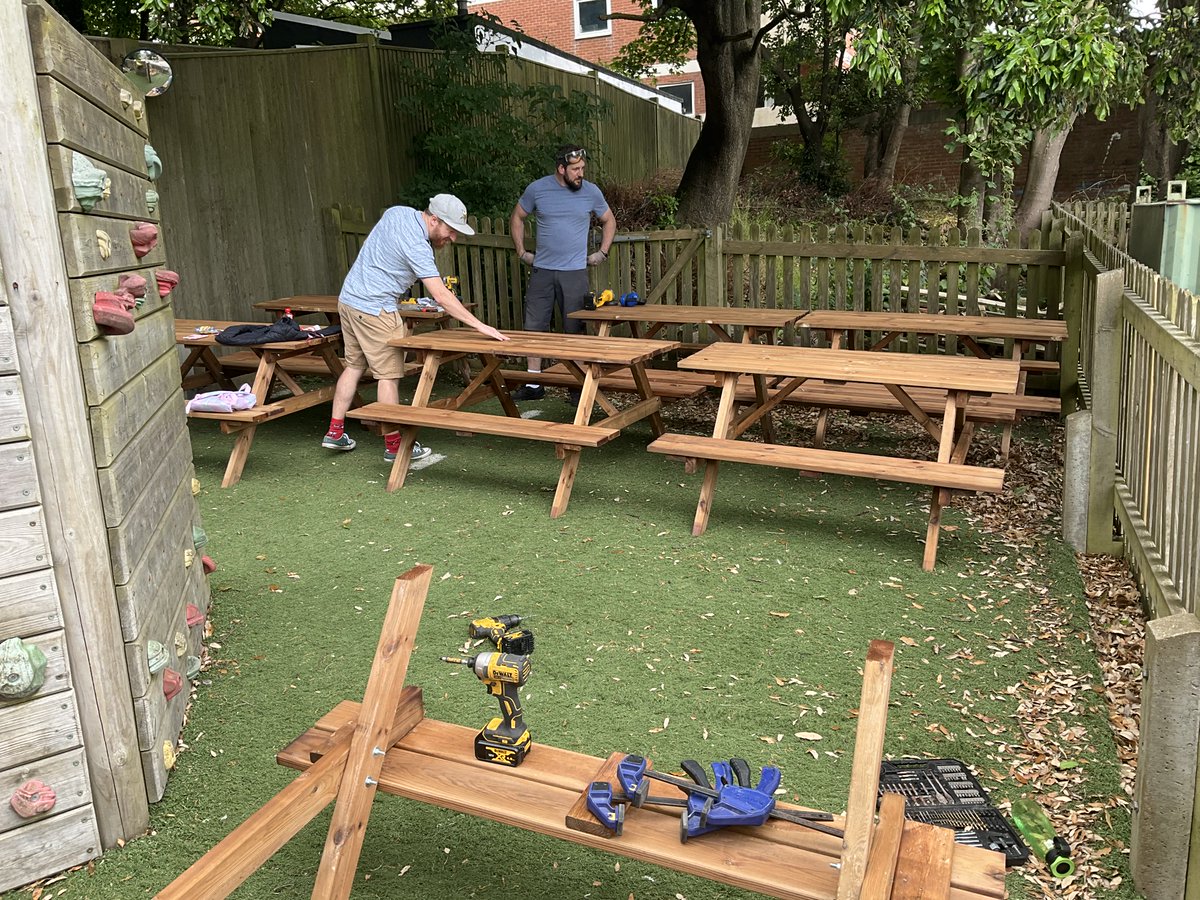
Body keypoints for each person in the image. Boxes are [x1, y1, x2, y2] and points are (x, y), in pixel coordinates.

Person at [322, 194, 508, 461]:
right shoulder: (418, 247)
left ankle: (335, 432)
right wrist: (481, 326)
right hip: (376, 310)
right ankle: (395, 446)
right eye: (451, 230)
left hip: (349, 301)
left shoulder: (398, 212)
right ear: (434, 220)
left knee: (353, 366)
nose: (453, 237)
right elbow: (441, 296)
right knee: (388, 377)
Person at [509, 145, 617, 401]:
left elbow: (609, 220)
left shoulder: (591, 191)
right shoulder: (538, 189)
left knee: (575, 328)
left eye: (582, 168)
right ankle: (534, 384)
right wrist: (522, 252)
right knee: (534, 326)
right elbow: (517, 217)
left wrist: (602, 252)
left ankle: (577, 386)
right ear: (561, 168)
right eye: (575, 169)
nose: (581, 174)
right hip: (542, 271)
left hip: (575, 273)